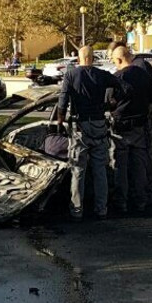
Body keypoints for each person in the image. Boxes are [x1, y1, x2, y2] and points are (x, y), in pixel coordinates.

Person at [57, 45, 122, 220]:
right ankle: (101, 209)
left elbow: (63, 100)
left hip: (81, 126)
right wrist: (112, 101)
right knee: (100, 169)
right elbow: (120, 85)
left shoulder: (71, 75)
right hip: (99, 124)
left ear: (79, 59)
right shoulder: (102, 75)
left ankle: (77, 210)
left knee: (78, 169)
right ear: (93, 58)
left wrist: (59, 121)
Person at [110, 45, 152, 214]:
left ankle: (121, 202)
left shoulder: (117, 78)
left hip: (121, 128)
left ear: (119, 60)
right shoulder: (145, 76)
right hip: (140, 126)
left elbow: (110, 102)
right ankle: (141, 201)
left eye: (114, 61)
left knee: (120, 167)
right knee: (140, 167)